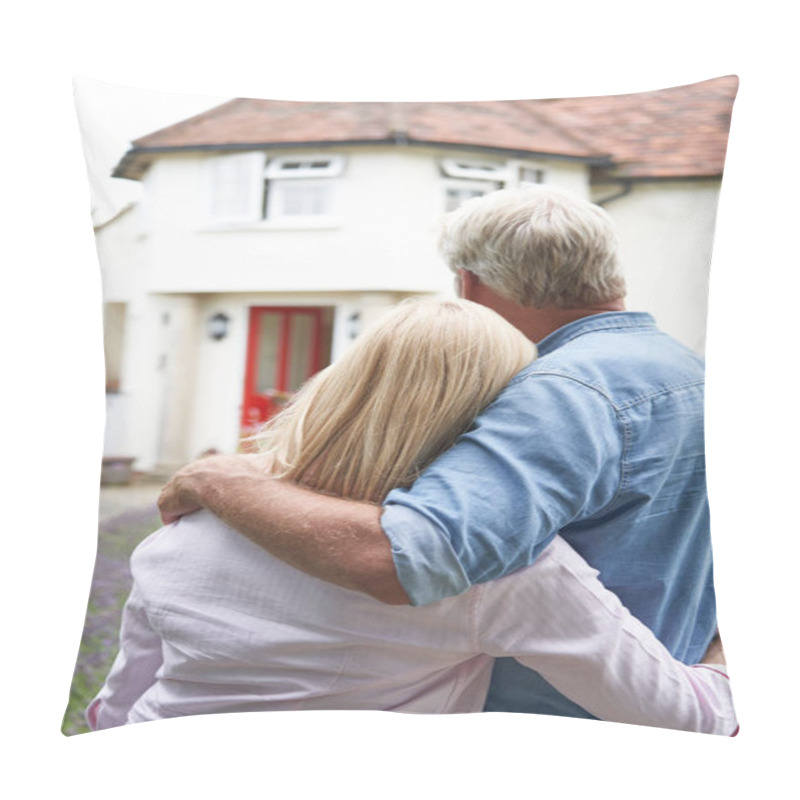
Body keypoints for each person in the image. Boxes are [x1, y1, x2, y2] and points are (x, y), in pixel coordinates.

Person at [158, 186, 724, 720]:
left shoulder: (560, 391)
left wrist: (220, 482)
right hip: (662, 701)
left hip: (540, 729)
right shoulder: (691, 374)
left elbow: (412, 560)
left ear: (469, 285)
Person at [90, 299, 736, 734]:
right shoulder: (496, 570)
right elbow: (684, 717)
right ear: (492, 421)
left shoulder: (191, 524)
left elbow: (114, 711)